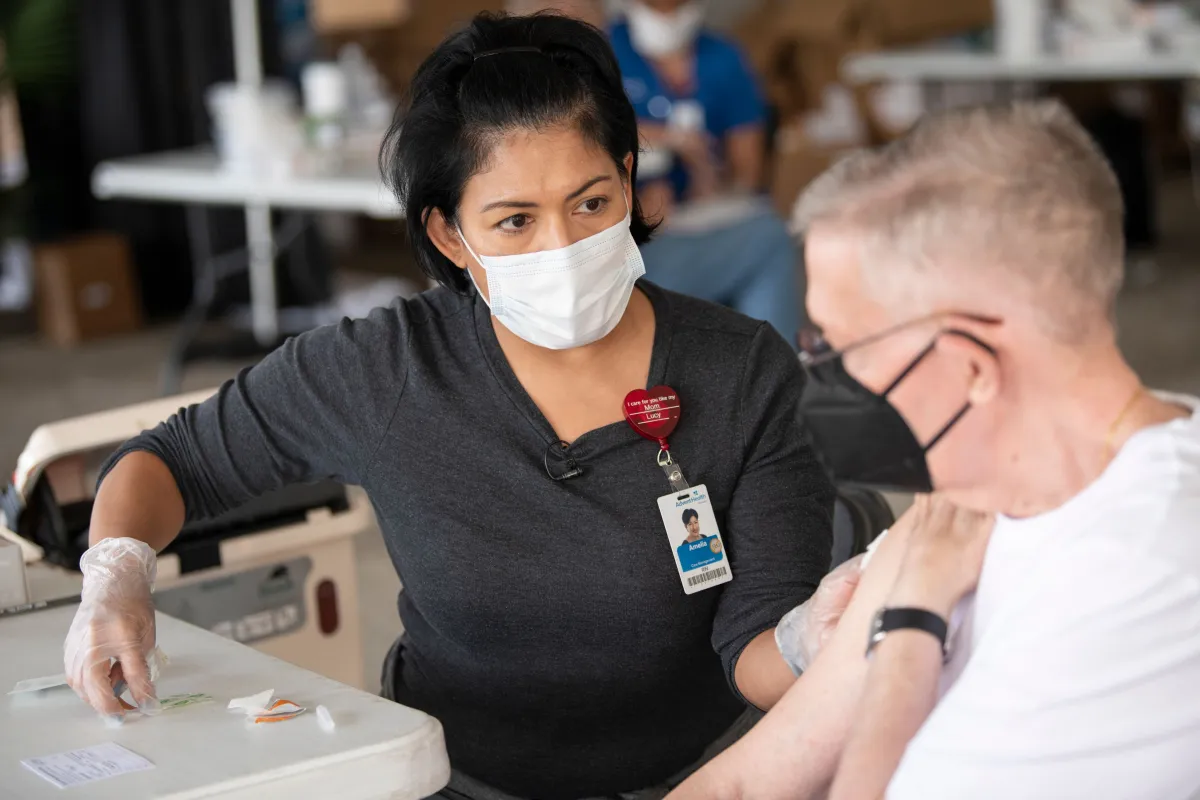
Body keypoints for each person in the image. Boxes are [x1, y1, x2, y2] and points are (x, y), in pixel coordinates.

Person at [61, 12, 835, 800]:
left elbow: (756, 651)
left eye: (592, 203)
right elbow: (173, 460)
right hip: (453, 779)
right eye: (514, 221)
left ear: (630, 179)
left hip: (695, 780)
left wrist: (818, 637)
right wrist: (115, 575)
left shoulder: (742, 372)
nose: (560, 247)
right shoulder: (387, 369)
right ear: (450, 233)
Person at [669, 100, 1200, 799]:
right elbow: (747, 780)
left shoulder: (1143, 573)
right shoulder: (965, 499)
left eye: (835, 347)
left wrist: (909, 627)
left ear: (970, 367)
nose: (818, 377)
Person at [608, 0, 803, 344]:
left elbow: (748, 173)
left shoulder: (722, 57)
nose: (665, 10)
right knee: (770, 243)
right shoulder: (603, 53)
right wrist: (666, 143)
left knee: (769, 233)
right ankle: (776, 377)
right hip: (631, 241)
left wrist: (708, 173)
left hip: (694, 219)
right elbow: (583, 136)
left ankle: (765, 373)